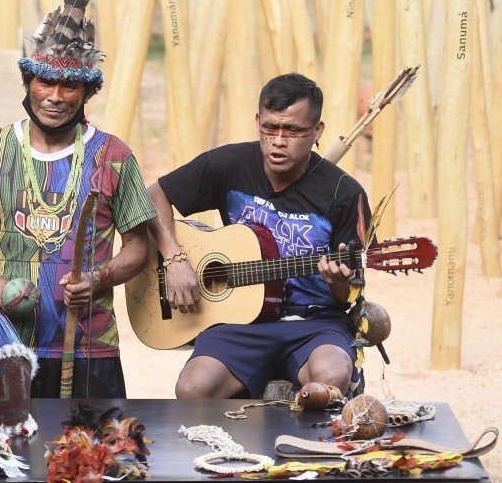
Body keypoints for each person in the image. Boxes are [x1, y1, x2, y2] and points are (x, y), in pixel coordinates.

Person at [0, 0, 156, 398]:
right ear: (28, 82)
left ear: (87, 92)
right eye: (45, 81)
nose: (55, 96)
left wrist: (99, 278)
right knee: (1, 458)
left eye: (70, 86)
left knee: (95, 456)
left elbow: (139, 245)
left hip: (88, 349)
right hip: (4, 345)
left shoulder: (113, 155)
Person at [148, 73, 371, 400]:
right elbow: (154, 195)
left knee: (331, 376)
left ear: (317, 131)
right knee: (192, 389)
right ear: (257, 122)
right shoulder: (230, 164)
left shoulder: (344, 193)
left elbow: (348, 293)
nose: (278, 140)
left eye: (293, 131)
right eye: (270, 128)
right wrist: (175, 259)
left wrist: (338, 281)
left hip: (315, 324)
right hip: (236, 323)